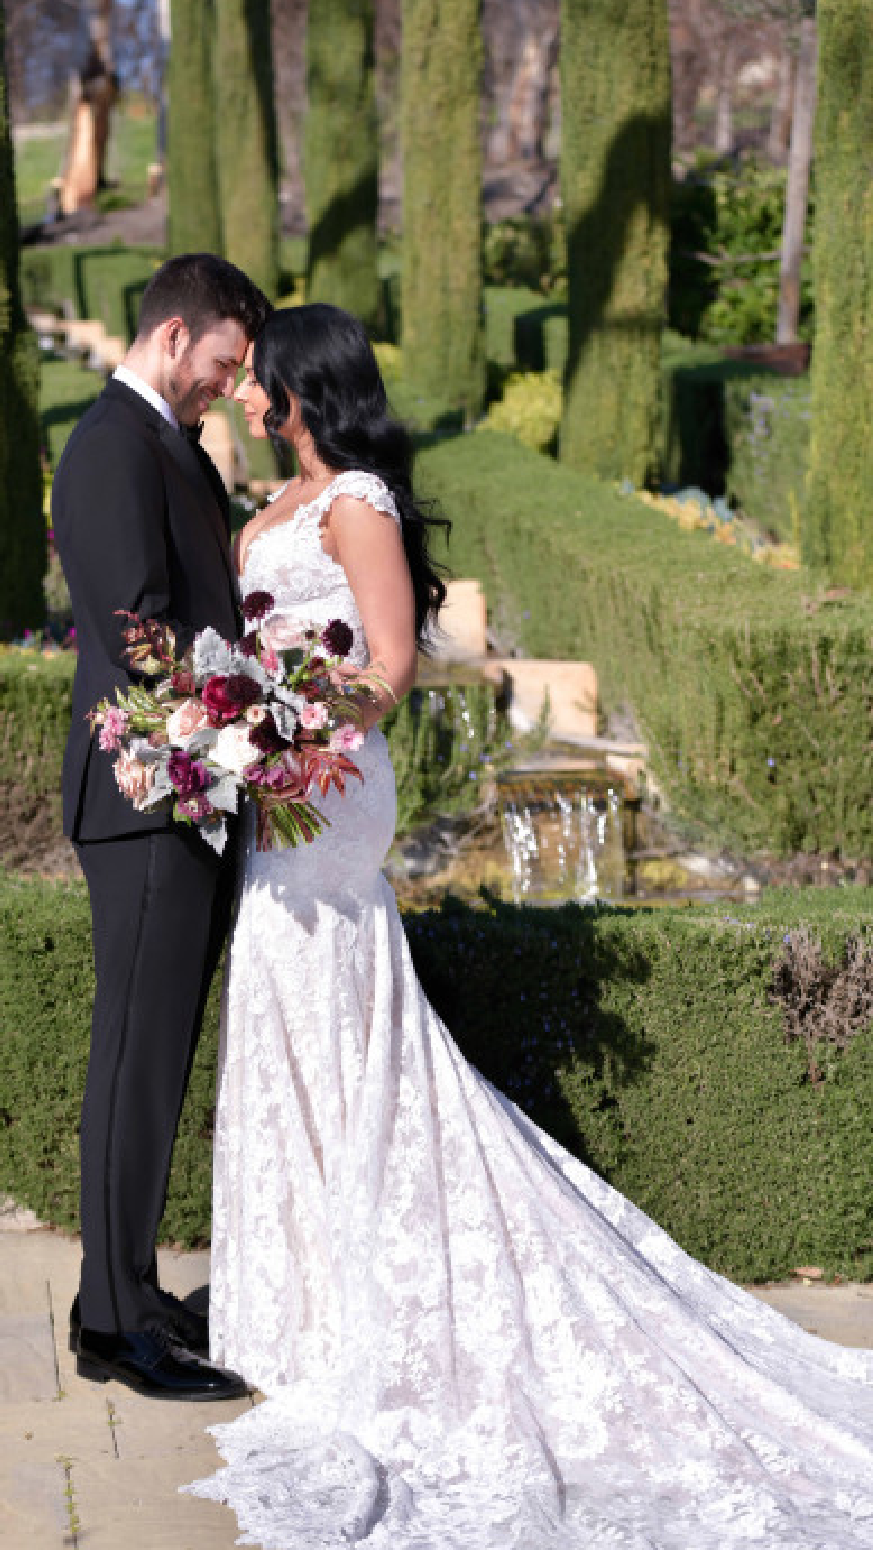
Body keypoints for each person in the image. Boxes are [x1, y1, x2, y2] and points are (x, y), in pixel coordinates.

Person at [187, 303, 873, 1546]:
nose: (241, 394)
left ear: (300, 387)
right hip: (267, 782)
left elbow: (389, 661)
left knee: (326, 982)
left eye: (255, 382)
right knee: (279, 995)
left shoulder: (355, 501)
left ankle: (356, 1292)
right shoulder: (267, 514)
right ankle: (295, 1304)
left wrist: (305, 743)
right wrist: (226, 725)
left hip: (328, 791)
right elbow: (254, 647)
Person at [51, 253, 268, 1403]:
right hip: (143, 801)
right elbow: (133, 626)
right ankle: (107, 1321)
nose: (225, 391)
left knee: (157, 1059)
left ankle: (134, 1289)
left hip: (190, 793)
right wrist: (242, 715)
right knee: (133, 1058)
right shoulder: (107, 447)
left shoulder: (168, 446)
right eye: (222, 367)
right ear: (173, 335)